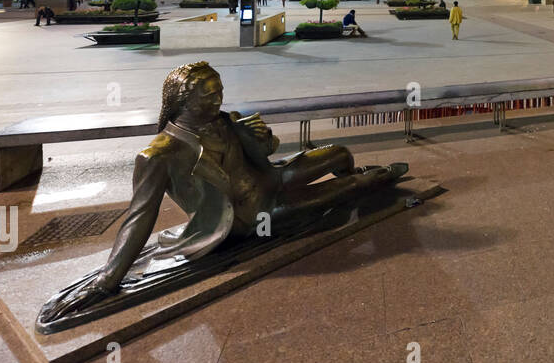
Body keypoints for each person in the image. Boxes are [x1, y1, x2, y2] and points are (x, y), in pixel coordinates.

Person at [37, 62, 407, 324]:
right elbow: (139, 216)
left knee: (341, 154)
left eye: (219, 93)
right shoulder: (159, 155)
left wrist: (262, 139)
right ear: (182, 102)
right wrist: (107, 279)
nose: (216, 102)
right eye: (207, 97)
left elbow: (263, 155)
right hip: (255, 217)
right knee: (349, 188)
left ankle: (359, 172)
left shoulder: (222, 121)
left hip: (273, 179)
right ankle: (377, 179)